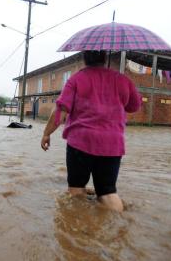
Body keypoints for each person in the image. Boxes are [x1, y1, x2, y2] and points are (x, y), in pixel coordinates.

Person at [41, 51, 142, 212]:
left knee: (76, 190)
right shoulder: (123, 80)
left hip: (80, 142)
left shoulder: (76, 79)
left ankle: (78, 228)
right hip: (112, 145)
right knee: (108, 192)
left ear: (84, 59)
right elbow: (134, 106)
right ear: (105, 58)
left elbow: (61, 111)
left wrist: (46, 134)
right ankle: (118, 222)